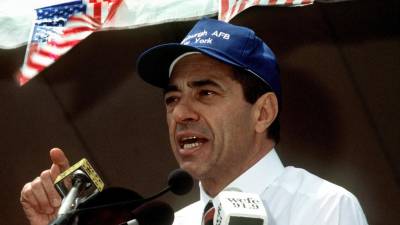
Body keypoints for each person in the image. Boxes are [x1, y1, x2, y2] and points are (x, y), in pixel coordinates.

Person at [20, 18, 368, 225]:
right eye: (172, 99)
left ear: (262, 112)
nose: (181, 113)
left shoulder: (323, 207)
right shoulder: (179, 221)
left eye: (205, 93)